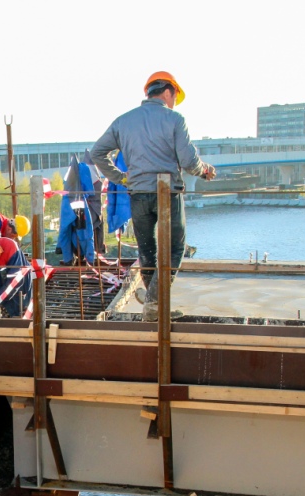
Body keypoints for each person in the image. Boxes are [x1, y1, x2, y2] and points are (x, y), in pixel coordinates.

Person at [90, 71, 216, 322]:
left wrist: (120, 177)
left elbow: (97, 153)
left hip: (137, 193)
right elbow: (189, 161)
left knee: (147, 252)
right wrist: (205, 171)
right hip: (167, 193)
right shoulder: (174, 119)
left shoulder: (123, 121)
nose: (173, 102)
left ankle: (154, 305)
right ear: (168, 92)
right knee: (175, 249)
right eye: (174, 97)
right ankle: (154, 303)